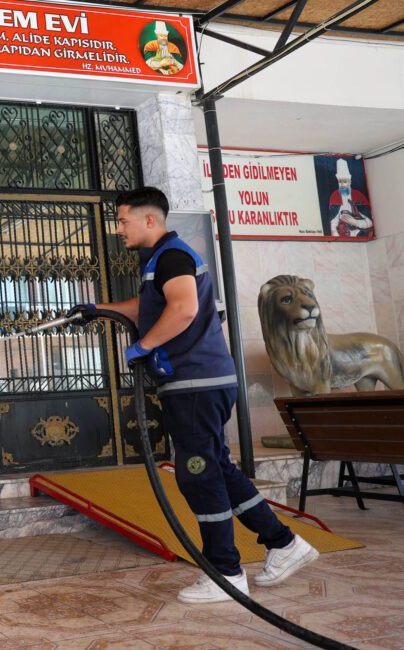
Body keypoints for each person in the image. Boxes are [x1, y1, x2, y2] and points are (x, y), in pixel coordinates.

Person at [69, 187, 317, 604]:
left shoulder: (172, 256)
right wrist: (98, 309)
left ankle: (226, 573)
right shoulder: (164, 260)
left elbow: (182, 309)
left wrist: (144, 345)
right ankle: (283, 543)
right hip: (203, 383)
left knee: (198, 473)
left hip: (194, 384)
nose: (118, 229)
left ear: (151, 220)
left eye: (123, 221)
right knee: (217, 468)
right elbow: (148, 305)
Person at [327, 158, 372, 237]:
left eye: (344, 181)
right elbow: (333, 223)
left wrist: (355, 222)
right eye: (340, 182)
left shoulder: (358, 196)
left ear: (350, 181)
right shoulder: (334, 196)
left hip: (359, 233)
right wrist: (336, 236)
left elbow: (369, 222)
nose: (342, 184)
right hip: (342, 235)